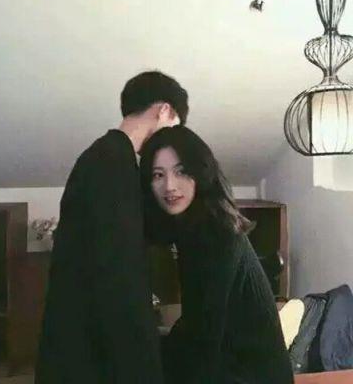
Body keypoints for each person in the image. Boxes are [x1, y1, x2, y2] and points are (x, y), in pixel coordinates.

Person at [34, 71, 189, 384]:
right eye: (173, 126)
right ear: (164, 111)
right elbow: (117, 268)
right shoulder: (113, 162)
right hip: (92, 346)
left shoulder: (105, 156)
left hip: (81, 334)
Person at [140, 126, 294, 384]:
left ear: (200, 172)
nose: (169, 186)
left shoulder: (214, 234)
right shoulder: (196, 222)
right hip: (231, 363)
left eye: (181, 171)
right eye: (158, 175)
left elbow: (202, 340)